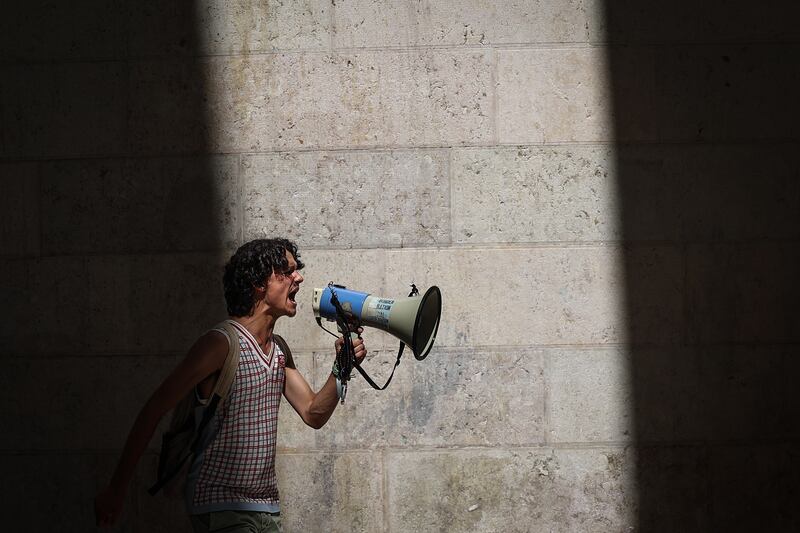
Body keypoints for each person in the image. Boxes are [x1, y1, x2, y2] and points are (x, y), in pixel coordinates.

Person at [94, 238, 366, 532]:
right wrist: (116, 489)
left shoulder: (278, 351)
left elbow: (313, 413)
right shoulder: (221, 344)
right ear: (259, 284)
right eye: (286, 272)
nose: (298, 277)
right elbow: (153, 409)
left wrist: (342, 366)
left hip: (267, 509)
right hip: (220, 504)